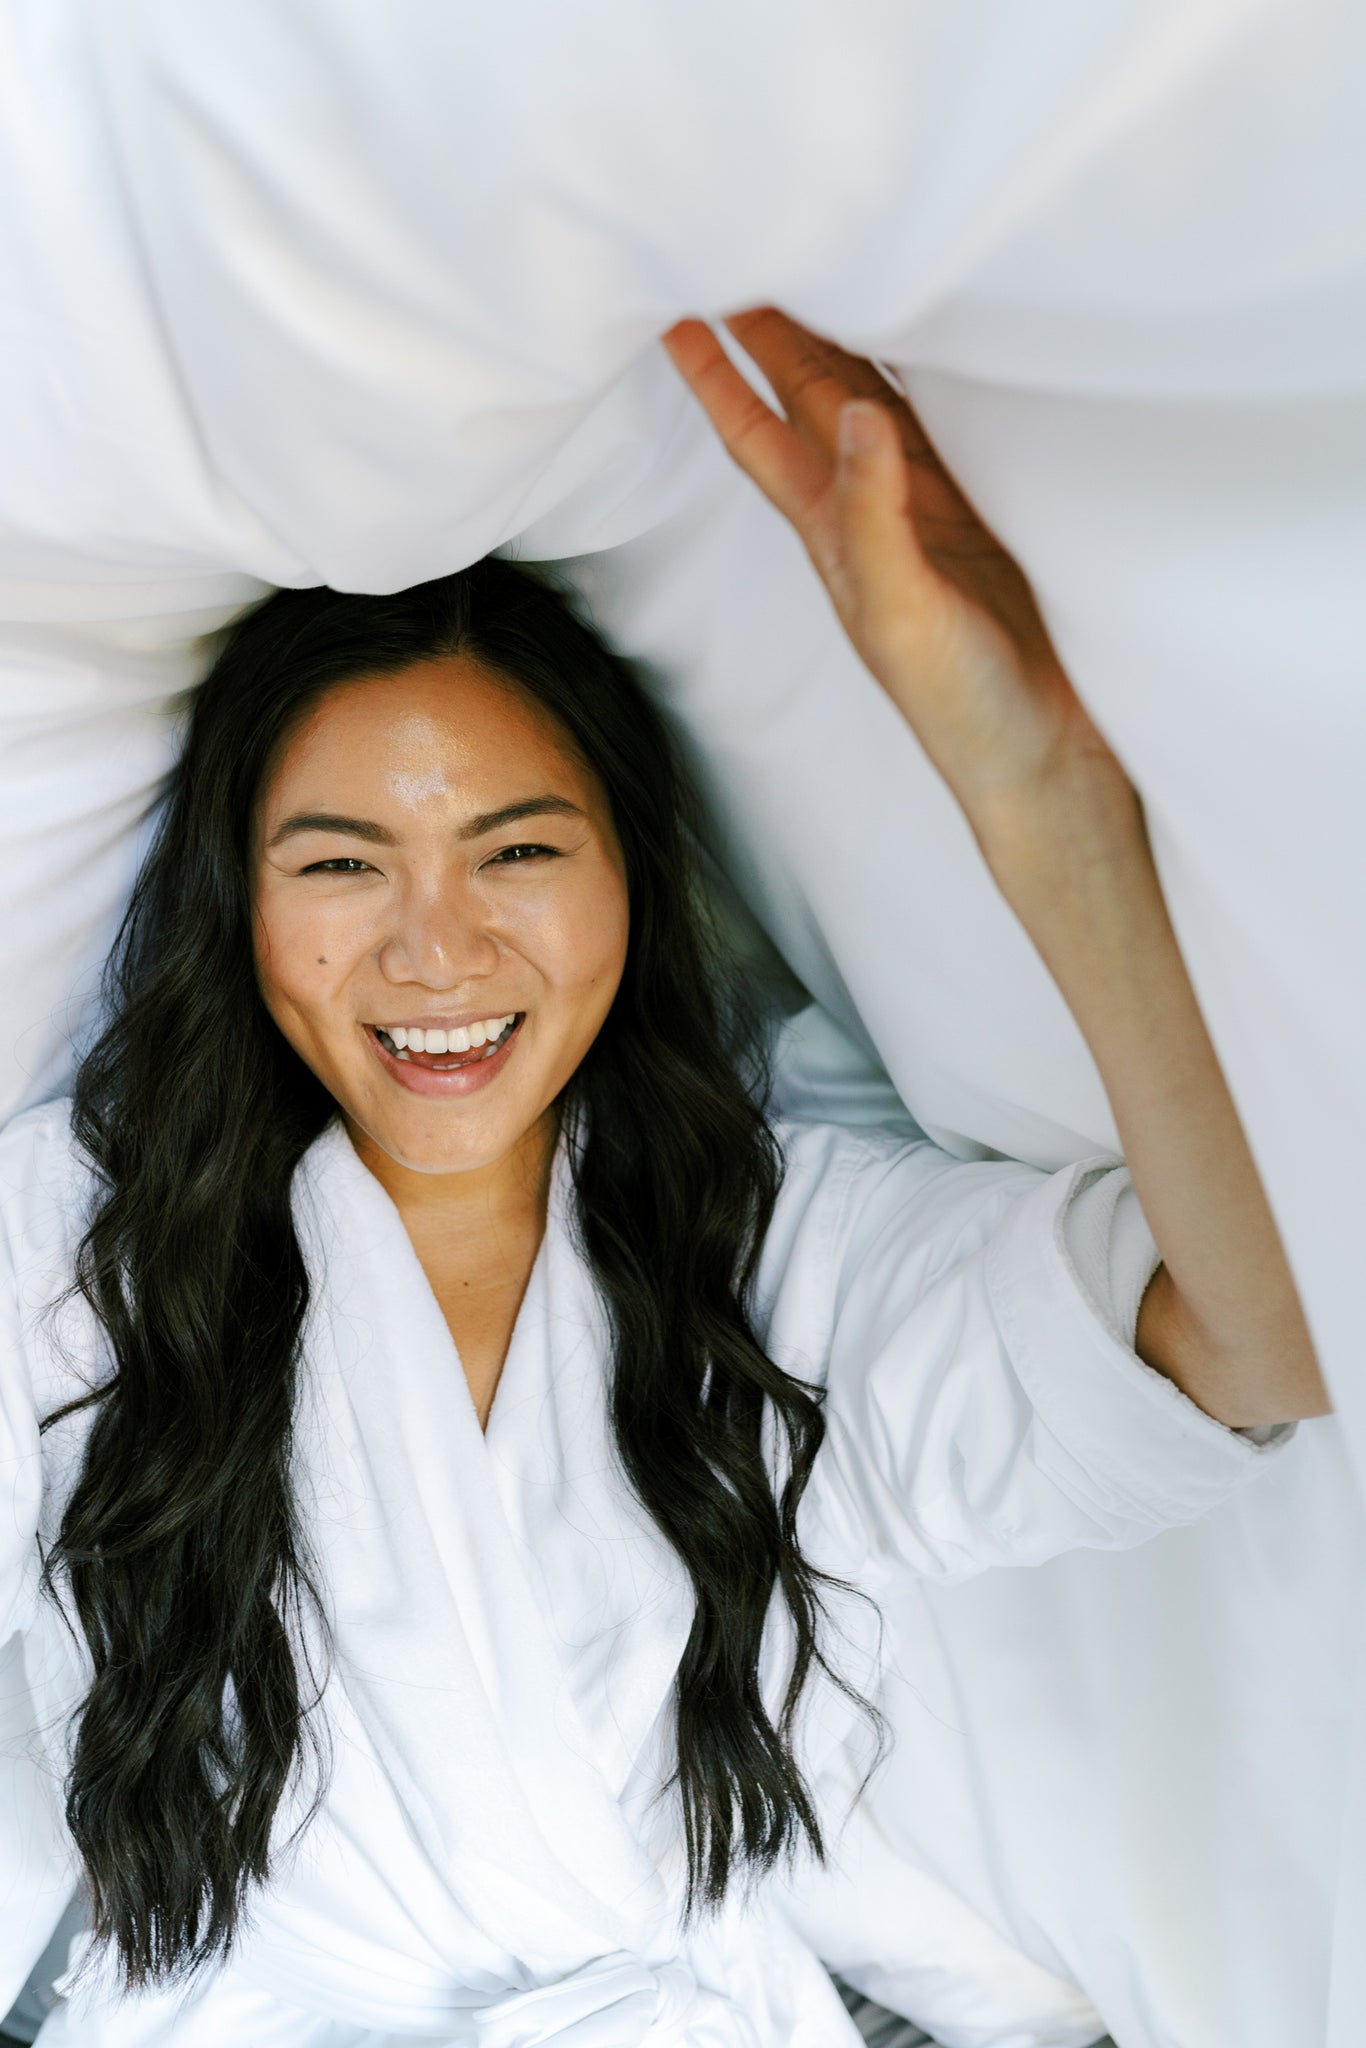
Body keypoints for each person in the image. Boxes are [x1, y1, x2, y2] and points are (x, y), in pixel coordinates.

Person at [0, 310, 1326, 2048]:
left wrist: (1042, 797)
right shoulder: (70, 1248)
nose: (437, 948)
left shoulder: (780, 1258)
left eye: (519, 851)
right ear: (237, 906)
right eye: (342, 863)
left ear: (634, 876)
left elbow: (1266, 1340)